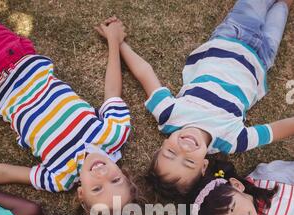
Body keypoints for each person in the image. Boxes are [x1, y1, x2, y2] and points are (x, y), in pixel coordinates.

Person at [113, 1, 293, 199]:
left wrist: (118, 42)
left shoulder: (168, 114)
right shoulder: (232, 140)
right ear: (204, 165)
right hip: (262, 59)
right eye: (189, 162)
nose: (185, 149)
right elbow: (274, 130)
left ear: (161, 146)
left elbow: (145, 73)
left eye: (171, 153)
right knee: (281, 9)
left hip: (231, 36)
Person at [0, 18, 137, 215]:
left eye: (97, 188)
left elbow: (8, 173)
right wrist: (113, 42)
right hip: (15, 59)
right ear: (124, 173)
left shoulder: (59, 178)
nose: (102, 174)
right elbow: (112, 93)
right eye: (115, 180)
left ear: (81, 194)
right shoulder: (113, 134)